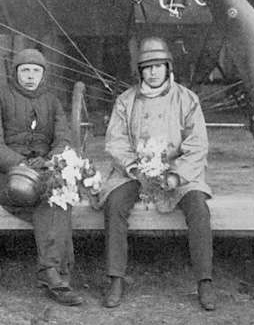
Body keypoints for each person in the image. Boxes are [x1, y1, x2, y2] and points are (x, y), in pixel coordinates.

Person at [97, 37, 217, 311]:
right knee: (114, 204)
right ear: (140, 71)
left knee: (198, 205)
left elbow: (198, 145)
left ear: (168, 67)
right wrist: (135, 168)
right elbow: (115, 141)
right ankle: (115, 278)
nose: (152, 72)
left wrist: (176, 176)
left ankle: (205, 281)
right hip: (135, 170)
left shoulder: (187, 99)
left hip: (176, 170)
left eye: (158, 66)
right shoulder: (126, 101)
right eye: (147, 67)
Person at [0, 48, 83, 306]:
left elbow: (64, 140)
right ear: (15, 73)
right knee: (50, 197)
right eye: (25, 70)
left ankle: (53, 273)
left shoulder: (52, 102)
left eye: (36, 71)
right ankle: (55, 273)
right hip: (5, 175)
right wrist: (23, 164)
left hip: (44, 171)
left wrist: (50, 160)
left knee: (58, 193)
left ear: (43, 74)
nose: (30, 76)